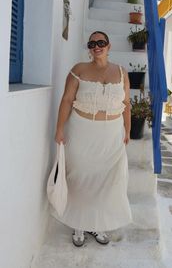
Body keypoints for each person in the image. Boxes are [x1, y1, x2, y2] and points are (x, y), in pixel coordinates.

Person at [54, 31, 132, 247]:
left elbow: (127, 105)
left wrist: (128, 130)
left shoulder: (122, 72)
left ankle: (96, 225)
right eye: (92, 43)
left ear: (109, 45)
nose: (97, 46)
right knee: (80, 178)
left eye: (101, 42)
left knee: (105, 182)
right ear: (89, 48)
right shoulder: (78, 70)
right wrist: (59, 129)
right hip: (82, 131)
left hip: (112, 133)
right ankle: (79, 224)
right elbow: (67, 100)